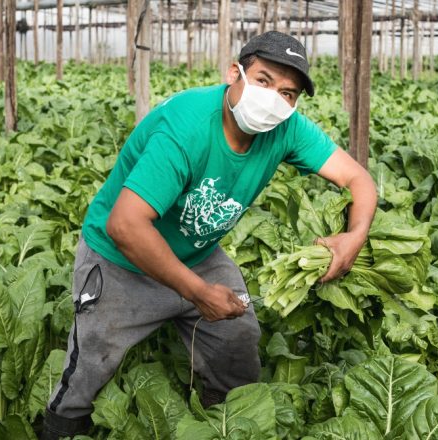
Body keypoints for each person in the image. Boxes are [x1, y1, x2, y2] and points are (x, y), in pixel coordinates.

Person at [41, 31, 377, 439]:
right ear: (234, 72)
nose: (274, 99)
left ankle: (224, 422)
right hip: (120, 260)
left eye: (288, 93)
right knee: (91, 362)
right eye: (264, 80)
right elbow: (125, 226)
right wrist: (198, 293)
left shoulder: (286, 130)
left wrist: (354, 236)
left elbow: (358, 179)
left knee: (238, 338)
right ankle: (60, 429)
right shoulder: (186, 128)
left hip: (197, 254)